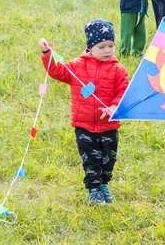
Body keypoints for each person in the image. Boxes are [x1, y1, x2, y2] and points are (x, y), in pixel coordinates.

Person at [38, 19, 129, 205]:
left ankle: (104, 184)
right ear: (90, 47)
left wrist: (113, 108)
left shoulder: (119, 70)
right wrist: (48, 53)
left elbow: (123, 93)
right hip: (84, 126)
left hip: (108, 126)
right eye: (102, 46)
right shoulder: (77, 66)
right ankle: (94, 190)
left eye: (111, 45)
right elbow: (56, 71)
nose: (107, 50)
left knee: (108, 160)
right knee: (91, 161)